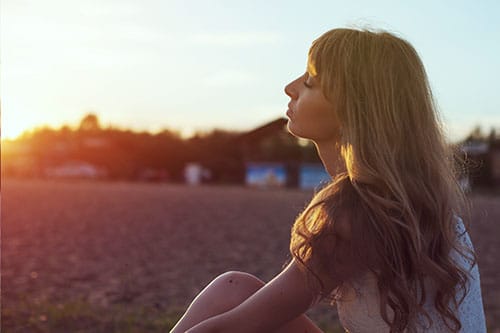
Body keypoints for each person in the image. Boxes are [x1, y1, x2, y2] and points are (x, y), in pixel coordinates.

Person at [170, 28, 486, 333]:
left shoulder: (358, 212)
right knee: (233, 289)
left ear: (353, 109)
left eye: (310, 82)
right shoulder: (411, 203)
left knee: (229, 300)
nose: (290, 87)